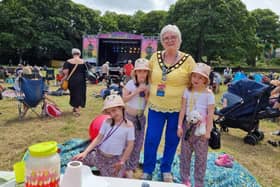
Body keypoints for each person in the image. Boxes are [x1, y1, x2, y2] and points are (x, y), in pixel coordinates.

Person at [142, 24, 196, 182]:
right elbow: (147, 76)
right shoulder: (155, 56)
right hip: (156, 106)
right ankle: (148, 169)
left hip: (178, 109)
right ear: (162, 41)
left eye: (173, 37)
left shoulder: (188, 60)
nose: (169, 40)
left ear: (180, 40)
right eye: (166, 38)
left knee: (172, 140)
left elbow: (195, 82)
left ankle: (166, 169)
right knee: (151, 138)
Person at [72, 94, 135, 177]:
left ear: (121, 108)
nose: (112, 114)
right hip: (98, 156)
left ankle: (125, 172)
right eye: (109, 112)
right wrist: (85, 152)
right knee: (73, 163)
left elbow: (130, 145)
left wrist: (122, 161)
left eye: (114, 110)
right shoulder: (107, 122)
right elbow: (98, 138)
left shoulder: (129, 126)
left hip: (114, 160)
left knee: (112, 182)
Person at [177, 63, 215, 187]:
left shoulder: (209, 94)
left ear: (205, 80)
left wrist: (208, 131)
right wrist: (179, 126)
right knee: (185, 154)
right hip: (188, 127)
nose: (196, 80)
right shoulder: (187, 91)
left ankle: (199, 182)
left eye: (200, 77)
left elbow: (210, 114)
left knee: (201, 157)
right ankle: (184, 179)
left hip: (202, 129)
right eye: (194, 76)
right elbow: (182, 109)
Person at [122, 58, 150, 178]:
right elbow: (123, 99)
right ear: (136, 72)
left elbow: (149, 102)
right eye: (140, 71)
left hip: (140, 118)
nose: (142, 74)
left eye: (145, 71)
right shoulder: (130, 83)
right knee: (128, 142)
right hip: (129, 117)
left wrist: (147, 93)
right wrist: (136, 91)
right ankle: (125, 166)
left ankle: (132, 166)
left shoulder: (148, 85)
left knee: (138, 143)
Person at [62, 48, 87, 116]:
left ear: (73, 54)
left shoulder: (68, 61)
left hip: (72, 80)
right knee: (80, 94)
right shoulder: (83, 62)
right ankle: (76, 108)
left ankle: (76, 109)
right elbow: (89, 70)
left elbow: (65, 72)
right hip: (82, 80)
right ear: (79, 54)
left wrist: (63, 80)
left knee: (74, 94)